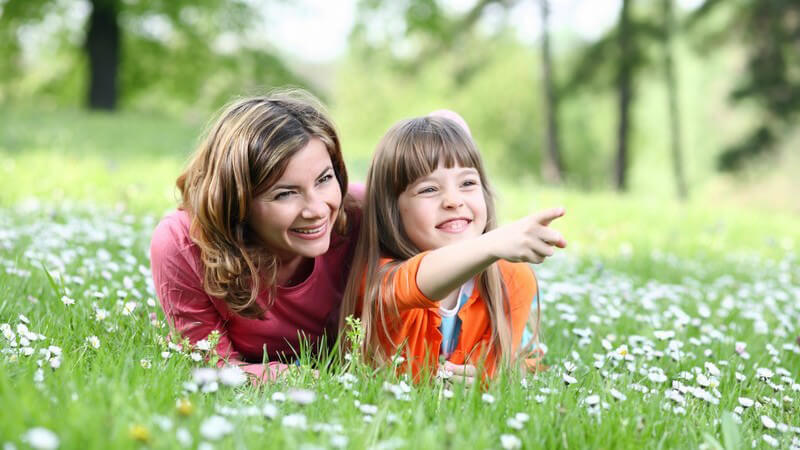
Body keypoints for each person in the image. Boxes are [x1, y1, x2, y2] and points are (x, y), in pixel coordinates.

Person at [150, 89, 362, 382]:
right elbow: (213, 367)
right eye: (285, 193)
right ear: (238, 201)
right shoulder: (182, 242)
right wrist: (299, 378)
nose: (317, 209)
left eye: (324, 179)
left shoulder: (359, 214)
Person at [339, 115, 566, 383]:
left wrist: (485, 382)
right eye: (429, 189)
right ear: (392, 210)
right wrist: (492, 243)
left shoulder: (512, 279)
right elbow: (418, 281)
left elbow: (493, 375)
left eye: (468, 183)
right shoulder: (380, 280)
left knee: (525, 362)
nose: (453, 201)